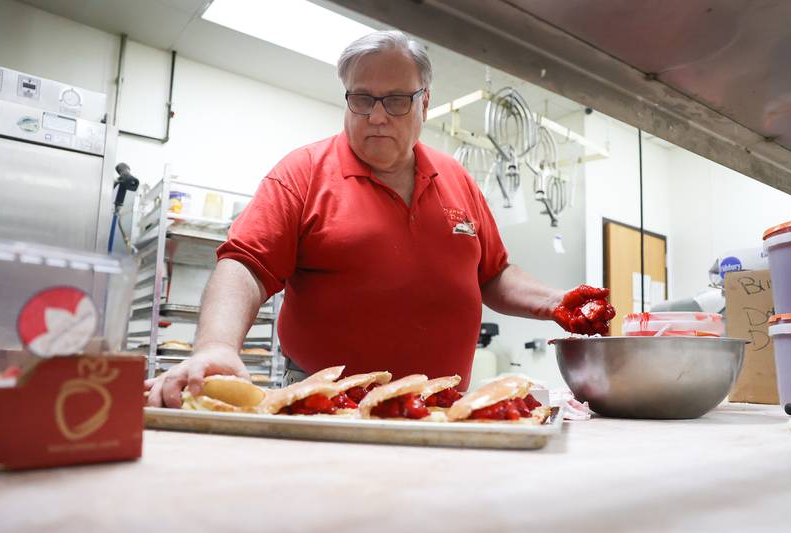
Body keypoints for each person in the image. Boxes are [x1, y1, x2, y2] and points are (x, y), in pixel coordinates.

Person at [145, 30, 614, 408]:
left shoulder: (456, 179)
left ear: (425, 103)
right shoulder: (303, 171)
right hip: (326, 402)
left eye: (396, 101)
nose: (376, 116)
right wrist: (216, 346)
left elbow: (493, 274)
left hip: (440, 404)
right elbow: (246, 265)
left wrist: (555, 301)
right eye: (362, 99)